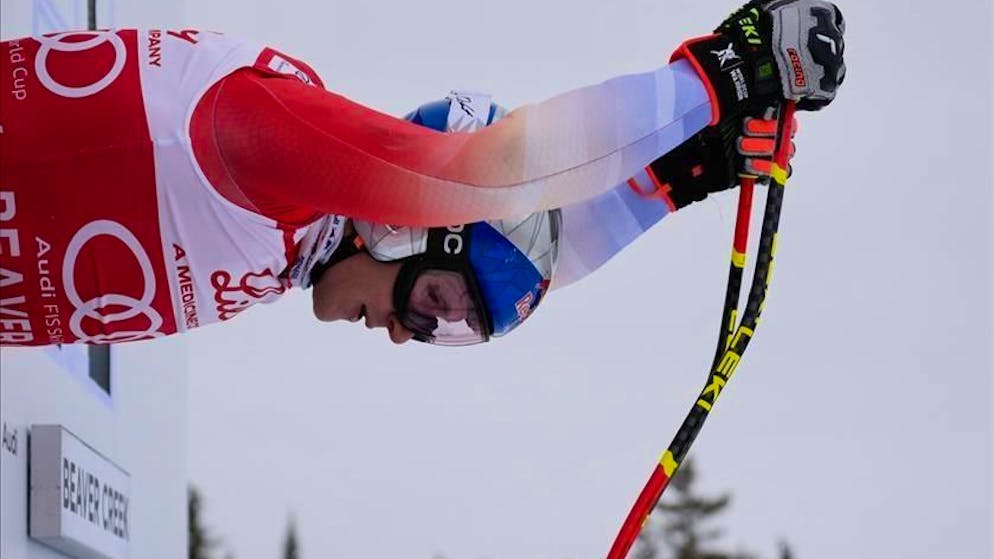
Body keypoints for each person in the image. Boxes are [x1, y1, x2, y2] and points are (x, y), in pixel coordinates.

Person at [0, 0, 845, 346]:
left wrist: (681, 174)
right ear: (407, 224)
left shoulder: (294, 238)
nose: (406, 332)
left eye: (440, 321)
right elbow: (494, 177)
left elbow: (536, 251)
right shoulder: (275, 144)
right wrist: (716, 81)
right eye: (434, 301)